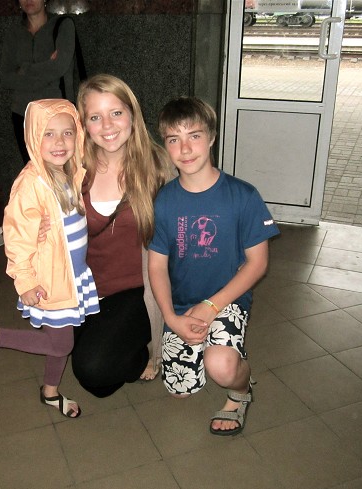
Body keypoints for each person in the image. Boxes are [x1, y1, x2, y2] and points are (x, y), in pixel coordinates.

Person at [0, 99, 99, 418]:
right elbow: (17, 237)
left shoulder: (68, 171)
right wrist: (26, 281)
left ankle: (50, 392)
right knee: (61, 344)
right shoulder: (32, 183)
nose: (59, 142)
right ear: (33, 137)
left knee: (60, 339)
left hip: (71, 274)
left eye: (67, 133)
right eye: (48, 134)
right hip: (49, 279)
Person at [148, 96, 280, 436]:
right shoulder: (164, 200)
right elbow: (157, 266)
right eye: (174, 139)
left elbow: (257, 264)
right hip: (182, 305)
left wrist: (211, 307)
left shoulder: (243, 195)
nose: (185, 148)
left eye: (194, 135)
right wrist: (171, 318)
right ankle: (216, 349)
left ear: (212, 137)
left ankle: (241, 389)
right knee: (181, 390)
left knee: (221, 368)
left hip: (227, 299)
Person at [38, 74, 173, 396]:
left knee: (93, 370)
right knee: (96, 380)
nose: (107, 125)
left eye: (116, 112)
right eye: (95, 117)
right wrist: (40, 230)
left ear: (132, 114)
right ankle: (122, 344)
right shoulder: (70, 168)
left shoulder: (159, 166)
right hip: (84, 287)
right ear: (83, 124)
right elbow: (32, 213)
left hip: (137, 288)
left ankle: (145, 346)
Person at [0, 0, 76, 247]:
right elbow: (5, 77)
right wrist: (44, 68)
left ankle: (65, 223)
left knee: (63, 170)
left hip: (55, 115)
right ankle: (29, 223)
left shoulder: (62, 26)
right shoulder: (14, 33)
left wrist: (24, 70)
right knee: (34, 172)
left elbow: (60, 67)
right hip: (23, 114)